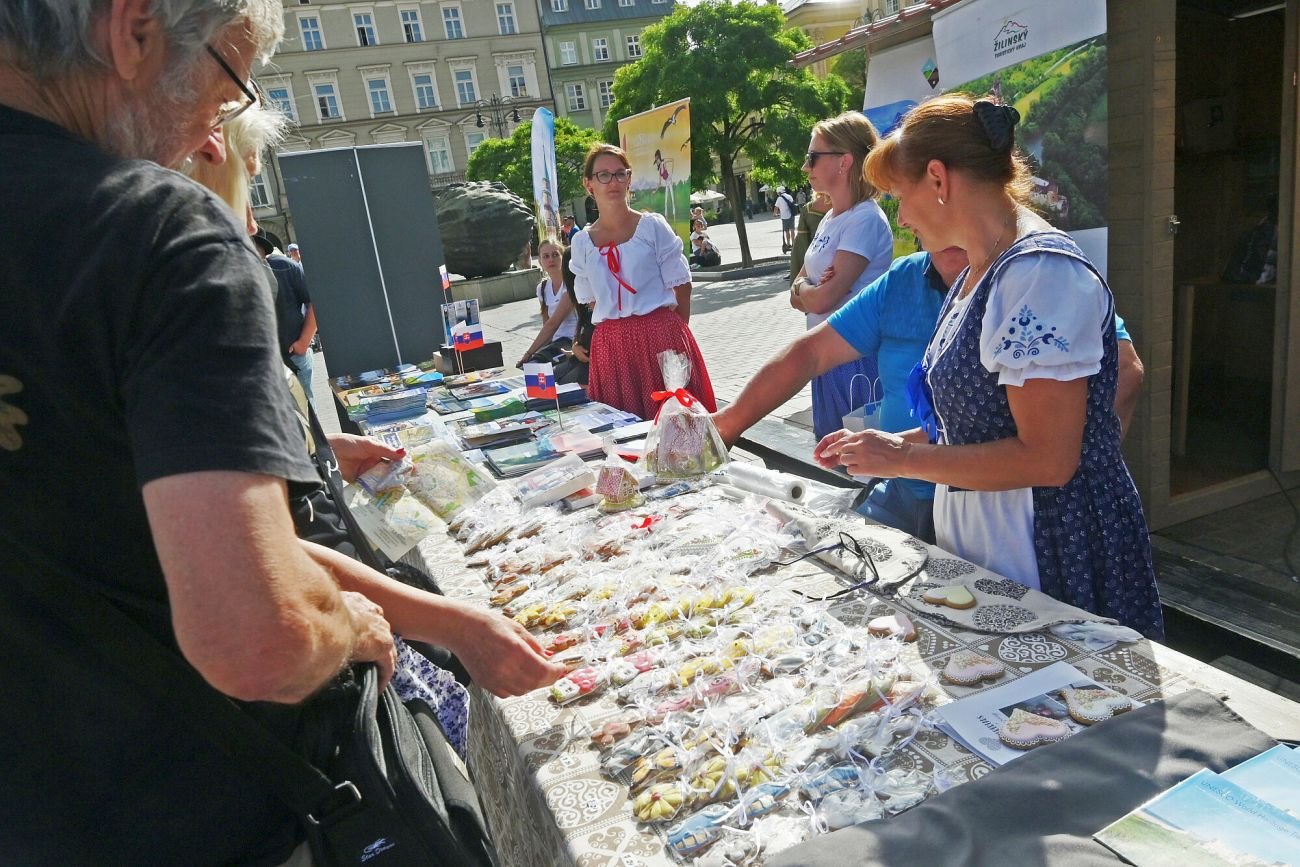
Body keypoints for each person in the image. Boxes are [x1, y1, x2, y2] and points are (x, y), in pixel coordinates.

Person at [0, 3, 552, 862]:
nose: (212, 127)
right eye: (227, 80)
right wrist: (352, 628)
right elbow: (256, 636)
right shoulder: (158, 235)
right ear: (133, 30)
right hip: (217, 813)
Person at [821, 94, 1163, 638]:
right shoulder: (978, 272)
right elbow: (977, 426)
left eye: (900, 197)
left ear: (938, 179)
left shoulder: (1040, 276)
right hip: (993, 539)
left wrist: (905, 458)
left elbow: (1048, 459)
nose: (901, 217)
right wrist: (885, 450)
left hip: (1048, 545)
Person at [715, 246, 1145, 544]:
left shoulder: (1031, 278)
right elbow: (811, 353)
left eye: (906, 197)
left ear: (946, 189)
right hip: (906, 492)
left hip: (995, 511)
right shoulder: (906, 277)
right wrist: (728, 422)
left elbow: (1125, 372)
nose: (900, 218)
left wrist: (1074, 468)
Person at [570, 143, 717, 420]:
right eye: (603, 175)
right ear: (589, 184)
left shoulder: (652, 226)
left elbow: (682, 285)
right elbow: (591, 301)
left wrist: (672, 336)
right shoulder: (582, 243)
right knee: (623, 432)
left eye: (620, 174)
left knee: (678, 433)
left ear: (629, 179)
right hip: (612, 347)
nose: (613, 182)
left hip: (660, 337)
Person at [790, 111, 893, 440]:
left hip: (855, 362)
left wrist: (808, 290)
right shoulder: (831, 218)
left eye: (812, 157)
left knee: (856, 467)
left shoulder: (864, 220)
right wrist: (809, 289)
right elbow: (799, 291)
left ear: (844, 162)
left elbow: (823, 298)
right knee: (834, 458)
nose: (806, 167)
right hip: (827, 358)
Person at [252, 228, 317, 399]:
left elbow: (313, 303)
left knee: (307, 417)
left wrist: (303, 342)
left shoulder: (285, 266)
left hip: (294, 357)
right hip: (262, 365)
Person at [516, 238, 578, 367]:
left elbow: (553, 324)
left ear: (563, 257)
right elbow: (546, 325)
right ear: (540, 261)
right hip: (556, 342)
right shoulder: (543, 288)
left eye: (555, 255)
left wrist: (528, 353)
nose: (551, 259)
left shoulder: (571, 284)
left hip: (573, 341)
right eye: (546, 256)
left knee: (535, 365)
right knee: (529, 366)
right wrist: (535, 352)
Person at [789, 190, 831, 281]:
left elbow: (802, 246)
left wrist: (797, 280)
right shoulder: (852, 206)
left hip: (816, 268)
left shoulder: (808, 209)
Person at [773, 185, 797, 252]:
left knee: (787, 231)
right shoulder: (789, 196)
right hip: (791, 216)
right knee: (792, 230)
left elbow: (776, 208)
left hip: (784, 217)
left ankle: (788, 244)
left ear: (779, 192)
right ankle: (794, 243)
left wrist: (775, 214)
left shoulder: (779, 198)